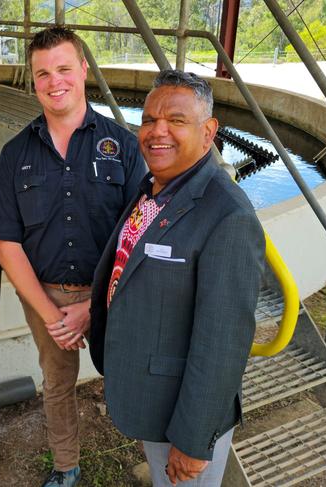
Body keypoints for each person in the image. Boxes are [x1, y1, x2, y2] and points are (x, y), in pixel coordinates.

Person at [89, 70, 265, 487]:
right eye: (149, 120)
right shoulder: (155, 186)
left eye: (176, 121)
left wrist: (192, 440)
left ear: (208, 133)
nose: (156, 132)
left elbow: (223, 342)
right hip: (156, 396)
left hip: (185, 416)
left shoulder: (228, 217)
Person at [0, 26, 146, 487]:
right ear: (31, 80)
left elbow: (137, 232)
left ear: (82, 70)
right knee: (56, 385)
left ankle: (154, 451)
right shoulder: (15, 153)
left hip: (113, 290)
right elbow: (7, 243)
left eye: (63, 68)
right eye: (42, 73)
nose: (54, 81)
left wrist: (95, 304)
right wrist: (54, 316)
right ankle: (65, 466)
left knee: (132, 372)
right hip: (46, 297)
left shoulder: (124, 145)